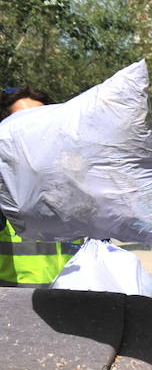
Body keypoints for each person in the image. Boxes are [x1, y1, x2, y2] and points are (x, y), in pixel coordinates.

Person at [0, 87, 79, 285]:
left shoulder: (76, 186)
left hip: (74, 306)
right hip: (15, 310)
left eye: (41, 120)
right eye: (23, 121)